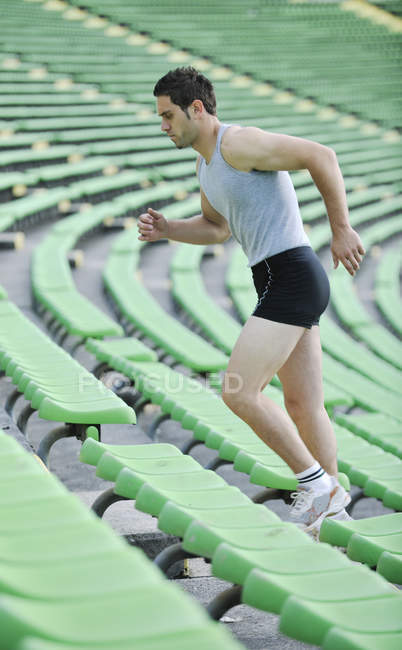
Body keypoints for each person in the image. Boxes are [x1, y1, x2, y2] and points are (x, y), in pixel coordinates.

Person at [137, 66, 366, 536]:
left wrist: (341, 228)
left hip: (292, 274)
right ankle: (334, 518)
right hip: (276, 278)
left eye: (167, 116)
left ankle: (317, 485)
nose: (163, 126)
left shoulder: (237, 144)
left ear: (196, 109)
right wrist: (168, 230)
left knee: (239, 390)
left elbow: (321, 155)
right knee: (304, 405)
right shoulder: (205, 164)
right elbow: (217, 228)